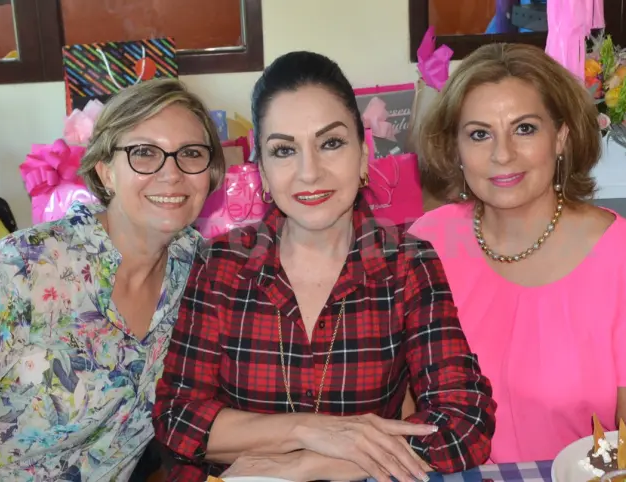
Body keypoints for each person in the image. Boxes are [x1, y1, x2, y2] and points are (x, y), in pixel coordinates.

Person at [153, 51, 496, 482]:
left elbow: (466, 421)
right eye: (284, 150)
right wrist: (309, 431)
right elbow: (177, 418)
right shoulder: (221, 264)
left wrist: (311, 463)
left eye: (330, 143)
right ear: (261, 171)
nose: (309, 172)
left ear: (363, 154)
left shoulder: (408, 264)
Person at [0, 78, 225, 481]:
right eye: (144, 152)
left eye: (191, 153)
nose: (171, 173)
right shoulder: (22, 268)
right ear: (105, 172)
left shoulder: (198, 273)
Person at [409, 43, 626, 464]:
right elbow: (399, 409)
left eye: (524, 129)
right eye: (479, 134)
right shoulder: (425, 244)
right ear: (455, 149)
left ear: (561, 137)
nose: (502, 154)